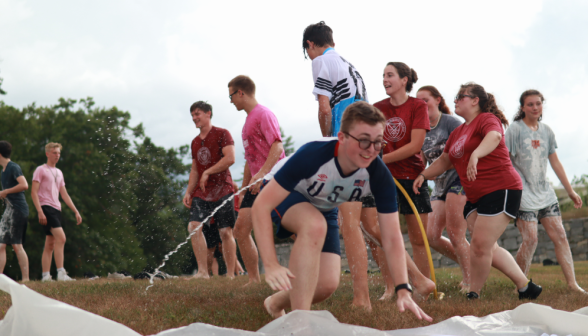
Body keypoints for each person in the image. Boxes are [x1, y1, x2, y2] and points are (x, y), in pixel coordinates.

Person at [252, 101, 431, 322]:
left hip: (323, 206)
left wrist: (403, 289)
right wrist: (270, 264)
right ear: (342, 137)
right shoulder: (313, 154)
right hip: (286, 194)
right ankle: (300, 323)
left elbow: (392, 237)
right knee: (314, 225)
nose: (371, 150)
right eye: (364, 140)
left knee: (326, 285)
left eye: (378, 143)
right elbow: (260, 205)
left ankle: (275, 302)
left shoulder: (378, 174)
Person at [413, 82, 542, 300]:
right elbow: (444, 161)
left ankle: (474, 293)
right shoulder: (458, 132)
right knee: (487, 246)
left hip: (501, 189)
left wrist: (476, 154)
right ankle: (526, 287)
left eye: (460, 96)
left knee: (480, 246)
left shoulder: (486, 119)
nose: (455, 100)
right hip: (475, 195)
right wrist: (423, 175)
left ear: (475, 101)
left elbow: (495, 137)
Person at [303, 21, 374, 309]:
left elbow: (324, 108)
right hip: (369, 140)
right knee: (371, 225)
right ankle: (417, 280)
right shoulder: (349, 64)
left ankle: (362, 299)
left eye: (306, 50)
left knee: (350, 224)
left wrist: (328, 140)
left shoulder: (320, 61)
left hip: (349, 143)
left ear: (310, 45)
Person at [505, 89, 585, 293]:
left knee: (560, 235)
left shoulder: (547, 131)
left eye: (538, 103)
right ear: (522, 107)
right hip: (523, 193)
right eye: (530, 104)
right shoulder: (514, 129)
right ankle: (520, 285)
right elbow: (504, 160)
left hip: (545, 193)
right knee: (530, 239)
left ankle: (572, 284)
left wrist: (570, 191)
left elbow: (556, 162)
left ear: (542, 105)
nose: (534, 107)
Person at [373, 62, 432, 278]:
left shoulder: (418, 106)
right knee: (385, 236)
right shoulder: (377, 108)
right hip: (384, 179)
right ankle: (393, 286)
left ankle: (423, 289)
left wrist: (381, 159)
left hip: (412, 177)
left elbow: (415, 146)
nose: (385, 80)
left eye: (390, 75)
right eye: (383, 75)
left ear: (404, 80)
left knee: (419, 239)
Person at [228, 75, 285, 285]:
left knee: (293, 229)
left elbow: (277, 146)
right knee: (240, 231)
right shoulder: (247, 121)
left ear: (240, 92)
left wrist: (262, 173)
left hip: (274, 180)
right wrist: (244, 186)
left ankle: (317, 267)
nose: (231, 100)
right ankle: (253, 280)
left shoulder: (264, 114)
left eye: (231, 95)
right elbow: (249, 159)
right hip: (255, 185)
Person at [416, 86, 471, 291]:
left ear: (437, 100)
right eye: (417, 101)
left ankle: (469, 281)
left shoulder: (450, 123)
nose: (421, 104)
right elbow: (420, 162)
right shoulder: (421, 129)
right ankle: (471, 262)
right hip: (438, 187)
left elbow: (458, 154)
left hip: (459, 182)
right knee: (431, 235)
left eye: (425, 100)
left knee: (456, 234)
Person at [183, 101, 238, 279]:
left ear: (208, 113)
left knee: (225, 232)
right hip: (203, 192)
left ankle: (231, 274)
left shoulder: (223, 134)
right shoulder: (194, 142)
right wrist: (189, 191)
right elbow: (195, 170)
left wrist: (208, 171)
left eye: (197, 114)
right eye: (192, 115)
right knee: (193, 226)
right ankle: (202, 272)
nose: (194, 118)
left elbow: (230, 158)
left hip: (223, 188)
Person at [31, 142, 82, 282]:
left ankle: (46, 276)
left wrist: (76, 211)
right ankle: (61, 273)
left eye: (59, 153)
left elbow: (64, 194)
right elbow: (33, 192)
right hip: (46, 207)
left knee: (50, 244)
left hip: (56, 209)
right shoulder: (40, 170)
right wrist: (40, 212)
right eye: (54, 153)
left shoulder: (59, 172)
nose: (57, 155)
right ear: (47, 154)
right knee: (62, 238)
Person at [0, 140, 30, 282]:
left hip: (18, 210)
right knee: (1, 244)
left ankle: (26, 279)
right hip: (9, 210)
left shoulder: (13, 167)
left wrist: (5, 191)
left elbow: (24, 185)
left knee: (17, 245)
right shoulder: (3, 171)